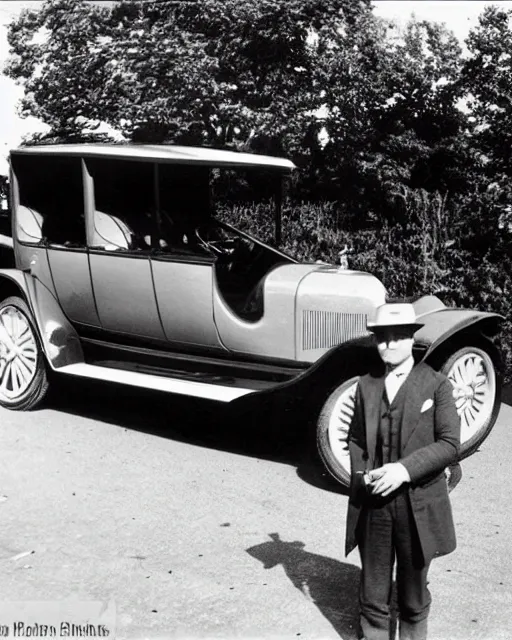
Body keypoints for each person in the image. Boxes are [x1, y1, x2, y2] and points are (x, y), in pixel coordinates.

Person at [345, 303, 460, 640]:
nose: (390, 344)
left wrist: (404, 470)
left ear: (412, 338)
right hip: (375, 504)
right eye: (382, 338)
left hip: (417, 504)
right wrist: (363, 473)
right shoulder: (366, 386)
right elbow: (354, 438)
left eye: (398, 337)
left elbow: (450, 444)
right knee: (373, 592)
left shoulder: (437, 385)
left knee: (413, 594)